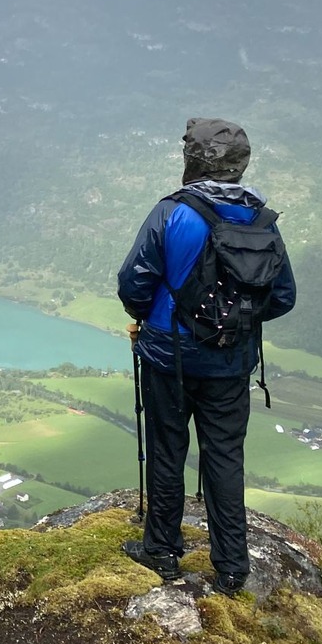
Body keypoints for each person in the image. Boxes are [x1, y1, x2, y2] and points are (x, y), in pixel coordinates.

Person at [116, 117, 296, 595]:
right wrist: (233, 325)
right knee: (225, 457)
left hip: (168, 357)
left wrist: (148, 317)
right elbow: (283, 297)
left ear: (191, 160)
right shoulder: (260, 219)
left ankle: (162, 551)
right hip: (231, 365)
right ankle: (232, 567)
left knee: (167, 450)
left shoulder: (172, 213)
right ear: (241, 163)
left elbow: (133, 282)